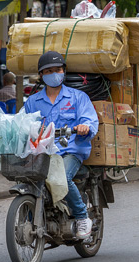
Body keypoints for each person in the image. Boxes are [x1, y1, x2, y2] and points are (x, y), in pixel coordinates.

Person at [24, 51, 99, 239]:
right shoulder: (33, 101)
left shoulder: (78, 97)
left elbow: (90, 121)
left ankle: (82, 217)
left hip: (71, 150)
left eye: (57, 70)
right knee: (27, 179)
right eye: (48, 71)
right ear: (41, 75)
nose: (53, 74)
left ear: (64, 71)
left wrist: (84, 127)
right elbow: (22, 123)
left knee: (61, 177)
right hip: (42, 151)